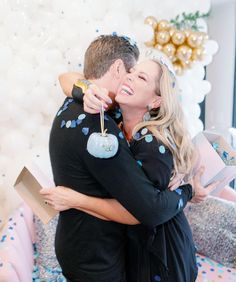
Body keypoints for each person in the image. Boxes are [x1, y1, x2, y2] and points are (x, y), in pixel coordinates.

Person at [41, 35, 218, 282]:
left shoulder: (146, 139)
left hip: (160, 251)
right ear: (118, 69)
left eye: (140, 77)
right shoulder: (105, 118)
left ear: (156, 100)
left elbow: (147, 211)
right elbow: (65, 77)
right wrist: (85, 88)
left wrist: (187, 189)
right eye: (131, 72)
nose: (130, 79)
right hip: (111, 252)